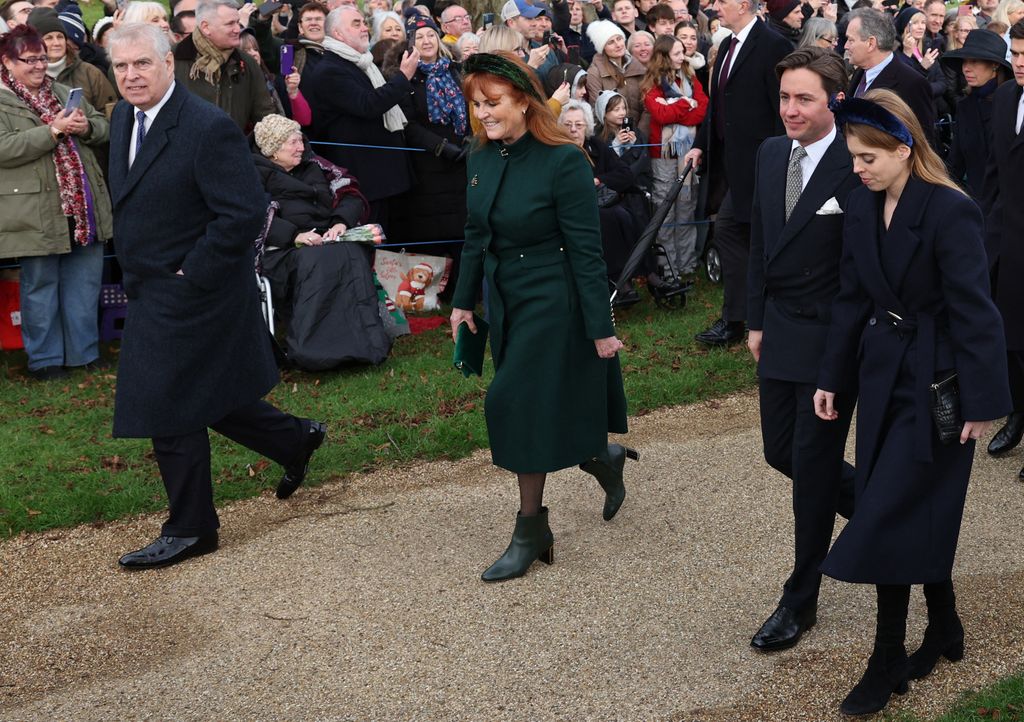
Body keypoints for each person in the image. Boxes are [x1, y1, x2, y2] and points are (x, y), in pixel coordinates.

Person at [813, 89, 1009, 715]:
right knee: (895, 505)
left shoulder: (952, 211)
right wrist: (831, 377)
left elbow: (977, 313)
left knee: (891, 513)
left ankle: (886, 657)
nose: (859, 168)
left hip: (939, 384)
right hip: (880, 376)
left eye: (870, 157)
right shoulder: (864, 203)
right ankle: (945, 624)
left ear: (905, 149)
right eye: (853, 157)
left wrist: (983, 401)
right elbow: (850, 297)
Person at [106, 23, 327, 570]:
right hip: (149, 283)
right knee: (207, 394)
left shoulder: (206, 126)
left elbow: (245, 211)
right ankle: (294, 440)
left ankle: (192, 527)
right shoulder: (119, 118)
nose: (131, 75)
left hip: (192, 289)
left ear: (166, 64)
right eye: (121, 66)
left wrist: (192, 273)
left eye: (142, 64)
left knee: (166, 401)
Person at [449, 52, 632, 583]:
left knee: (514, 401)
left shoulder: (564, 160)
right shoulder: (479, 158)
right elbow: (476, 234)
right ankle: (601, 455)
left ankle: (531, 530)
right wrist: (463, 301)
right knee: (540, 400)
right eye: (476, 104)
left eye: (493, 102)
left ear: (525, 101)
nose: (482, 113)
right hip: (505, 299)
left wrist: (601, 327)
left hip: (555, 298)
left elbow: (586, 250)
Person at [745, 46, 861, 654]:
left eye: (804, 98)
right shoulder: (770, 153)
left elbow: (863, 271)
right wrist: (755, 319)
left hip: (832, 338)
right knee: (779, 451)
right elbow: (762, 240)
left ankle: (799, 601)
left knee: (812, 469)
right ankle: (879, 507)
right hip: (781, 328)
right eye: (785, 97)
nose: (790, 109)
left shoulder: (857, 160)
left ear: (834, 100)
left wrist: (843, 354)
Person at [0, 25, 112, 381]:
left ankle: (84, 354)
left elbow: (102, 127)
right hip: (36, 210)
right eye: (29, 60)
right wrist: (51, 132)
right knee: (40, 287)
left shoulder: (63, 91)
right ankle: (46, 361)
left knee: (84, 283)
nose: (38, 67)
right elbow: (5, 149)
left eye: (42, 59)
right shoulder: (2, 101)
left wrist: (85, 127)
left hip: (82, 207)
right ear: (6, 61)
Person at [684, 0, 791, 346]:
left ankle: (752, 319)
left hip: (764, 163)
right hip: (733, 166)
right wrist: (701, 142)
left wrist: (781, 159)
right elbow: (719, 104)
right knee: (733, 232)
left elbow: (783, 107)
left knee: (748, 237)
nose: (715, 7)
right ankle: (739, 319)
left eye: (721, 2)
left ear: (743, 5)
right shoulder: (727, 44)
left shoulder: (774, 45)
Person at [251, 115, 393, 368]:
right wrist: (295, 236)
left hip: (326, 237)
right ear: (273, 149)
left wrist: (341, 222)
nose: (301, 147)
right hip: (281, 251)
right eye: (293, 143)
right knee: (319, 259)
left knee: (351, 251)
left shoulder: (315, 165)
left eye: (300, 141)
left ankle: (367, 344)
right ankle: (314, 350)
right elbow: (250, 214)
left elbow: (351, 194)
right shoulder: (251, 173)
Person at [303, 5, 420, 230]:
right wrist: (403, 77)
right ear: (337, 33)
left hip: (384, 176)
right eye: (356, 24)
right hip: (365, 179)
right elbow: (368, 105)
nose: (364, 28)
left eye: (363, 23)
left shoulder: (361, 63)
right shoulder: (329, 70)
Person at [979, 20, 1024, 475]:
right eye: (1016, 54)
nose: (1021, 63)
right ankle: (1017, 414)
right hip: (1003, 234)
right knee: (1007, 335)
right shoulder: (1006, 97)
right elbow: (994, 167)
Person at [389, 12, 469, 246]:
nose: (426, 41)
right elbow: (407, 123)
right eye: (419, 37)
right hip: (428, 163)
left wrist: (471, 139)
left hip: (463, 160)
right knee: (436, 232)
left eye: (430, 35)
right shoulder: (405, 78)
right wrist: (440, 147)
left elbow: (472, 107)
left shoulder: (456, 71)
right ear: (411, 44)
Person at [641, 34, 707, 284]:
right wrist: (684, 103)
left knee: (686, 208)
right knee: (665, 210)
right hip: (664, 155)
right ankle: (668, 266)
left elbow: (702, 108)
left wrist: (678, 105)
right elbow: (660, 114)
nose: (683, 56)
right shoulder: (652, 84)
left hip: (688, 152)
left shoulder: (690, 77)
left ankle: (687, 263)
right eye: (678, 53)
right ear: (665, 56)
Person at [559, 99, 640, 291]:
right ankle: (621, 279)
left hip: (604, 202)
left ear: (586, 126)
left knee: (632, 212)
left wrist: (598, 180)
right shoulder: (557, 151)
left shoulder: (595, 145)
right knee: (610, 218)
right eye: (568, 124)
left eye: (578, 125)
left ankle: (647, 273)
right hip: (576, 210)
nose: (573, 130)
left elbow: (625, 174)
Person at [173, 0, 276, 131]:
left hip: (234, 149)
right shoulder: (172, 59)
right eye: (230, 24)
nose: (238, 29)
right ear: (205, 27)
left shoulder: (247, 63)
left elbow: (265, 116)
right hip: (184, 149)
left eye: (238, 22)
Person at [941, 29, 1010, 200]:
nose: (966, 68)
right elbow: (956, 161)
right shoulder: (965, 106)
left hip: (1009, 206)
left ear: (994, 65)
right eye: (964, 61)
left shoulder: (1011, 105)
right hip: (976, 204)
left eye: (974, 61)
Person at [844, 9, 935, 138]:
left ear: (871, 43)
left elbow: (924, 139)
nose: (846, 46)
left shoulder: (912, 83)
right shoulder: (860, 73)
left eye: (850, 40)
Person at [26, 7, 117, 118]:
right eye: (48, 38)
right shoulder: (25, 76)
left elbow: (111, 115)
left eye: (60, 37)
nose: (57, 43)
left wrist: (88, 128)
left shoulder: (90, 73)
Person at [586, 19, 646, 124]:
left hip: (641, 133)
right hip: (613, 134)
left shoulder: (638, 66)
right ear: (603, 48)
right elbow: (598, 111)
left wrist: (641, 134)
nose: (618, 45)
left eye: (619, 38)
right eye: (611, 42)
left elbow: (647, 107)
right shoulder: (595, 72)